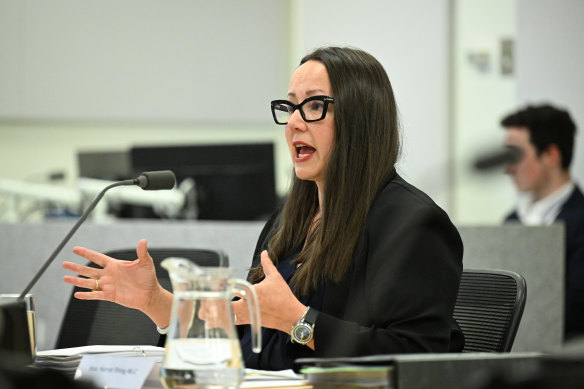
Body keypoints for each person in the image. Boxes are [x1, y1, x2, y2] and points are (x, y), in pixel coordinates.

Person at [62, 46, 464, 370]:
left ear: (360, 119)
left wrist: (299, 321)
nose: (293, 123)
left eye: (314, 106)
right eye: (290, 107)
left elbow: (422, 362)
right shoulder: (289, 218)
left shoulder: (413, 224)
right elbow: (242, 331)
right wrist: (159, 304)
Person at [501, 104, 584, 340]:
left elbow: (575, 313)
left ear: (551, 155)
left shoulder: (580, 222)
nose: (508, 168)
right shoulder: (511, 222)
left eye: (514, 155)